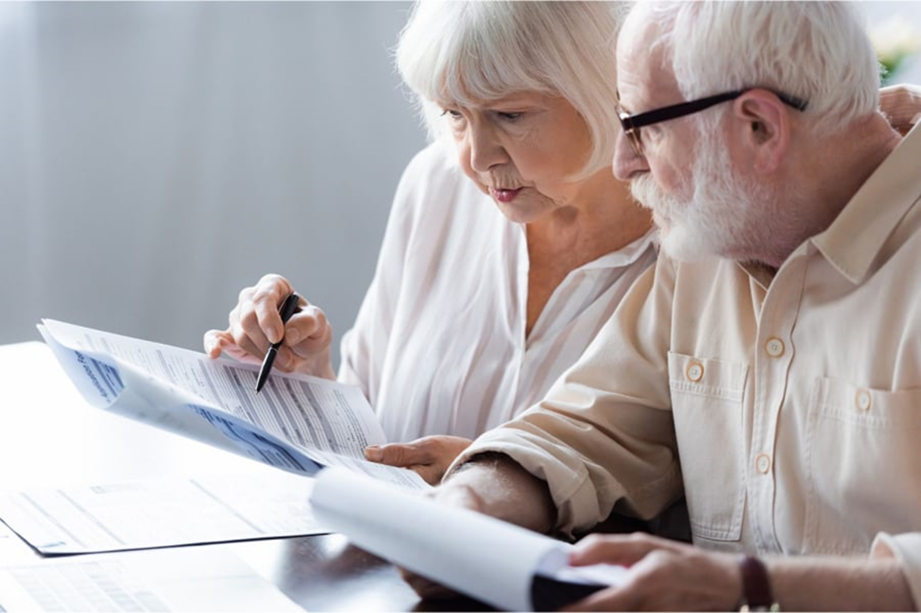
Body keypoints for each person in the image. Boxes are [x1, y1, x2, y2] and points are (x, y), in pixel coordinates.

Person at [419, 1, 921, 610]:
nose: (623, 163)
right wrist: (468, 501)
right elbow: (591, 426)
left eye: (645, 129)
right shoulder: (706, 251)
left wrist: (751, 588)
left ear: (759, 125)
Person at [202, 1, 657, 485]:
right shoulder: (436, 185)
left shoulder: (688, 252)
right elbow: (371, 434)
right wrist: (304, 375)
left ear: (603, 91)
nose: (476, 158)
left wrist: (499, 482)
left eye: (509, 114)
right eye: (454, 114)